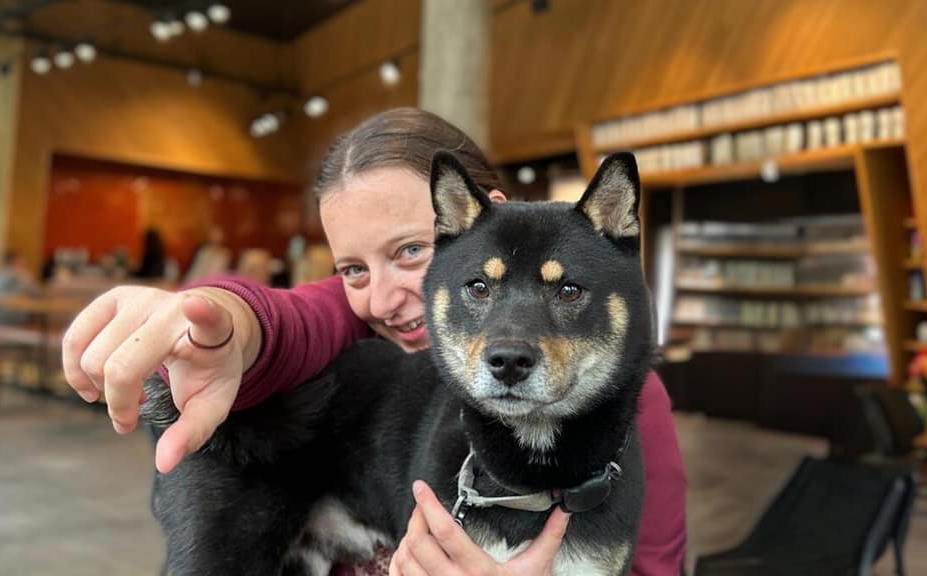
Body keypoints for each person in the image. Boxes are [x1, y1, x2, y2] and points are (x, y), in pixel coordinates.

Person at [62, 108, 687, 575]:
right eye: (352, 269)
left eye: (412, 251)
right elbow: (290, 319)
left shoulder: (623, 400)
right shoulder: (369, 319)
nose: (384, 298)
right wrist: (213, 317)